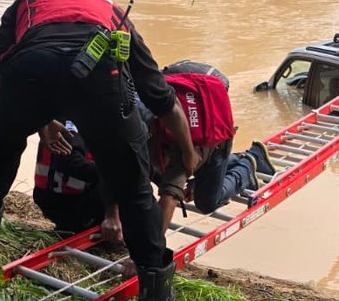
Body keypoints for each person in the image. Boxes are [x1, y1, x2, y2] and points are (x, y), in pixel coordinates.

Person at [0, 0, 200, 301]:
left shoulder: (28, 0)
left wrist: (39, 118)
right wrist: (189, 154)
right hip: (103, 80)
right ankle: (155, 292)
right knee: (133, 187)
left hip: (31, 70)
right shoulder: (114, 14)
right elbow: (162, 98)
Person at [98, 61, 275, 241]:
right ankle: (233, 160)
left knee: (206, 202)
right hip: (190, 86)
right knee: (152, 173)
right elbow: (111, 163)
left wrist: (148, 255)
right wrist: (112, 214)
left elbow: (169, 199)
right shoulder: (127, 110)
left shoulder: (178, 142)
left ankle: (248, 164)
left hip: (207, 122)